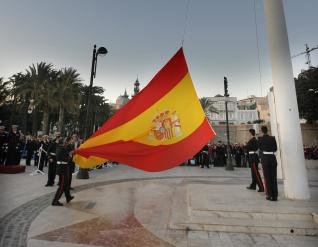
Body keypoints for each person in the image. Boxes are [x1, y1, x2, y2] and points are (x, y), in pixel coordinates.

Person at [52, 136, 74, 206]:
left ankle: (68, 197)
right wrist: (70, 155)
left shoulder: (60, 148)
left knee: (66, 184)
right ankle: (55, 201)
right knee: (61, 186)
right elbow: (66, 159)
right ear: (63, 142)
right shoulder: (61, 149)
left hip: (63, 168)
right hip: (63, 169)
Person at [259, 126, 278, 201]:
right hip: (273, 158)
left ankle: (269, 195)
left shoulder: (260, 139)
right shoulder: (272, 138)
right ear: (267, 131)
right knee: (273, 177)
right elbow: (275, 148)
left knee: (267, 178)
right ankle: (275, 196)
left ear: (262, 131)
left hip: (265, 159)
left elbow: (260, 148)